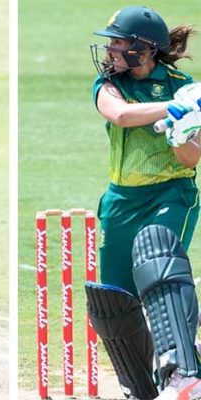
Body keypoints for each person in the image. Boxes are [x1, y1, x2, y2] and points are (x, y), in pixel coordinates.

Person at [85, 6, 201, 400]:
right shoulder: (109, 84)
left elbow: (190, 159)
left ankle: (183, 374)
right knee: (114, 302)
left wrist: (181, 133)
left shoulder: (183, 86)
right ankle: (140, 387)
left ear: (144, 48)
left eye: (117, 43)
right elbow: (119, 115)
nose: (110, 50)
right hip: (121, 200)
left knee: (159, 267)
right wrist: (174, 109)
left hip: (171, 194)